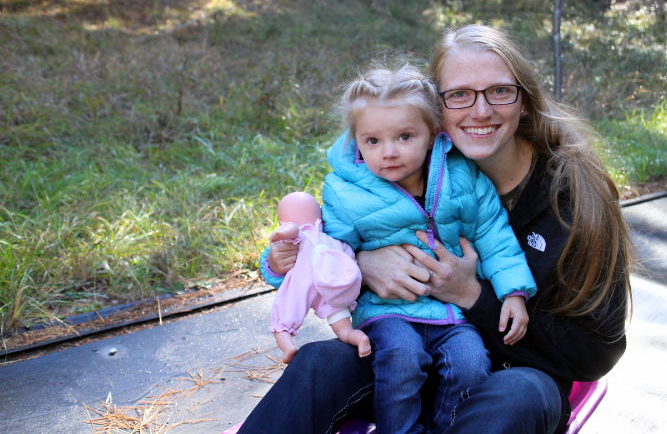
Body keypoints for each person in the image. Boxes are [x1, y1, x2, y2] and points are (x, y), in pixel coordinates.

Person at [238, 23, 632, 434]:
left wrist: (470, 294)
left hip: (515, 372)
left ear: (525, 101)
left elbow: (596, 352)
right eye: (459, 94)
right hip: (403, 356)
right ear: (434, 110)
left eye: (500, 91)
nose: (481, 111)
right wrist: (361, 261)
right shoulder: (398, 167)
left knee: (517, 395)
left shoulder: (574, 197)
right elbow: (331, 240)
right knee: (319, 362)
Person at [262, 63, 536, 434]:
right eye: (373, 141)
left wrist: (513, 291)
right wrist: (281, 264)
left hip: (451, 313)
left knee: (472, 363)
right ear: (356, 142)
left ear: (433, 134)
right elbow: (325, 252)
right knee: (402, 359)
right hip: (385, 312)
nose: (389, 152)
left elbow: (493, 234)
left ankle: (445, 427)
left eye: (405, 137)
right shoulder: (346, 193)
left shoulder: (462, 178)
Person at [268, 191, 370, 364]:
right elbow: (349, 259)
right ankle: (357, 338)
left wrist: (281, 234)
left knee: (283, 320)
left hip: (304, 283)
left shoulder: (297, 236)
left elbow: (291, 229)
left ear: (283, 223)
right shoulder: (332, 241)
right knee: (343, 327)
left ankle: (288, 347)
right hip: (330, 285)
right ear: (321, 220)